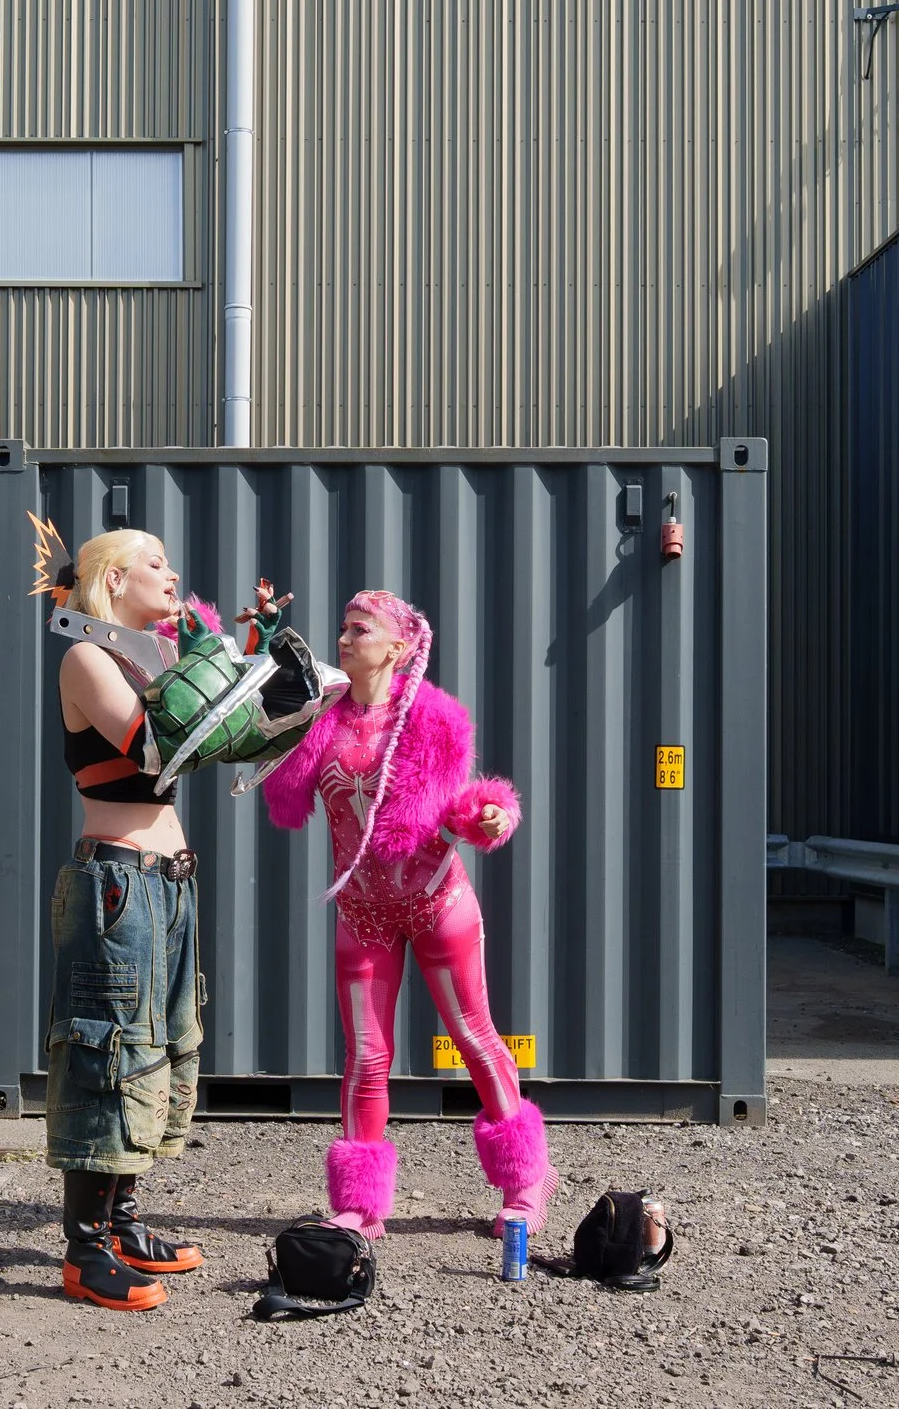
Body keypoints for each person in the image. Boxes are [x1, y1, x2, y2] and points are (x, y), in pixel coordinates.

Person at [260, 589, 555, 1241]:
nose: (343, 638)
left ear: (398, 647)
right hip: (362, 912)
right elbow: (280, 791)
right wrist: (273, 691)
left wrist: (493, 813)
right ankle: (360, 1205)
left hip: (437, 904)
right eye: (342, 628)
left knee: (474, 1036)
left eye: (359, 629)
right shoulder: (320, 713)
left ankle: (526, 1179)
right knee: (366, 1055)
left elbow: (460, 807)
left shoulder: (432, 717)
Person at [38, 528, 208, 1312]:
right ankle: (85, 1249)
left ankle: (123, 1221)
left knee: (157, 1049)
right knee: (108, 1051)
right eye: (155, 563)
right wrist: (226, 689)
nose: (171, 575)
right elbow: (154, 744)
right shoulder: (86, 658)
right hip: (118, 885)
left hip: (166, 885)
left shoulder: (146, 660)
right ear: (112, 578)